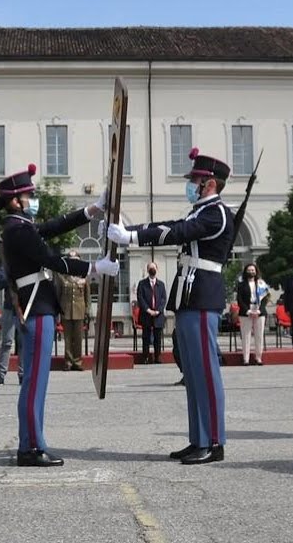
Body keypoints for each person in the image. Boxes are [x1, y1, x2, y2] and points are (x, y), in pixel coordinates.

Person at [108, 147, 236, 465]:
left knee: (206, 373)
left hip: (202, 294)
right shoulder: (199, 211)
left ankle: (214, 441)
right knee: (193, 373)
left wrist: (130, 238)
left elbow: (177, 232)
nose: (191, 184)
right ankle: (198, 439)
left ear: (209, 183)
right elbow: (171, 224)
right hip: (189, 295)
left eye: (195, 179)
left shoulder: (216, 213)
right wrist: (130, 231)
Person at [0, 164, 115, 466]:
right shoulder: (17, 229)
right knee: (34, 383)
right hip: (37, 307)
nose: (33, 200)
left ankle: (32, 443)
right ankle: (31, 447)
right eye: (29, 195)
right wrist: (93, 268)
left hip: (39, 305)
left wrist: (93, 209)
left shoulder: (19, 226)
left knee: (35, 382)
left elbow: (53, 227)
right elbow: (49, 259)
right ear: (16, 201)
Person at [136, 263, 168, 363]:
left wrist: (158, 310)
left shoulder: (161, 284)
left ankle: (157, 357)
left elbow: (163, 299)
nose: (152, 269)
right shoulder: (142, 284)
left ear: (157, 269)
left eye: (153, 268)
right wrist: (148, 310)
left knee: (157, 337)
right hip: (146, 314)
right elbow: (140, 298)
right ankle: (145, 357)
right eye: (150, 268)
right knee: (146, 337)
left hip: (158, 315)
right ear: (147, 270)